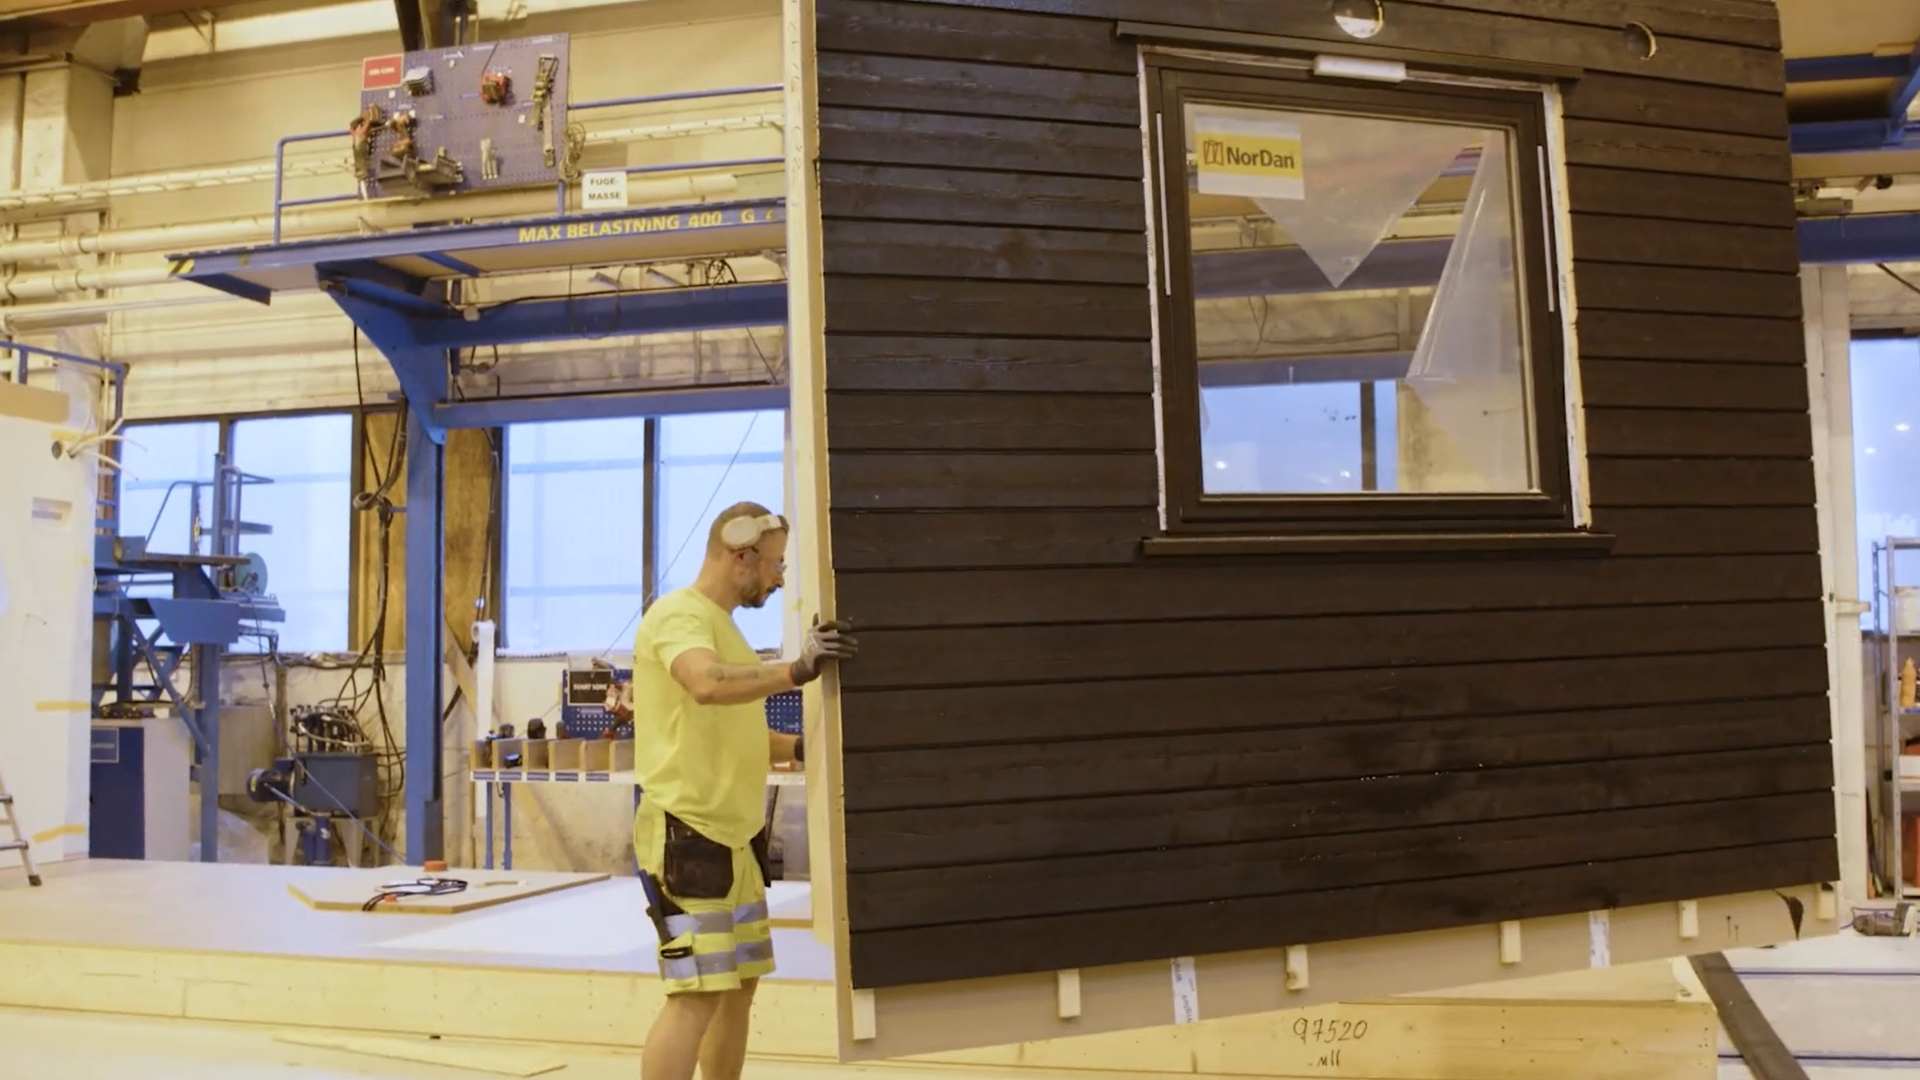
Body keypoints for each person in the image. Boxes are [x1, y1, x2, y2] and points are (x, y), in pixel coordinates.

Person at [627, 501, 857, 1080]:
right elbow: (703, 684)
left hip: (737, 838)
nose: (781, 578)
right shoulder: (680, 615)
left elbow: (742, 729)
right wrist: (794, 671)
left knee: (738, 986)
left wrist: (806, 749)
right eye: (776, 565)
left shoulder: (724, 628)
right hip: (688, 835)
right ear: (740, 556)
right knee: (697, 994)